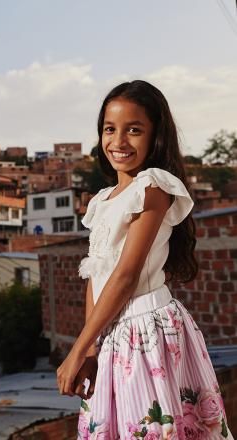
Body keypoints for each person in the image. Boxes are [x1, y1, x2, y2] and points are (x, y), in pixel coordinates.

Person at [56, 80, 233, 439]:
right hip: (112, 336)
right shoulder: (102, 201)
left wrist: (75, 350)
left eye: (133, 130)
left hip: (148, 332)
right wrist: (89, 348)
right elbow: (97, 275)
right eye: (110, 129)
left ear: (156, 137)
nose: (118, 142)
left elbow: (125, 275)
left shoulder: (153, 186)